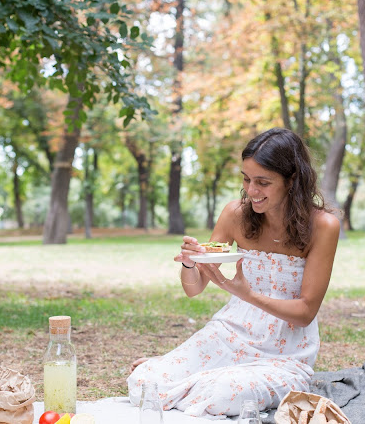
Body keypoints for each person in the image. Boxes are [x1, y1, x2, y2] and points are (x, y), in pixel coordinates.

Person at [127, 127, 340, 418]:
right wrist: (191, 262)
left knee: (223, 394)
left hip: (283, 355)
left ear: (292, 181)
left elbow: (305, 312)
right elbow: (194, 287)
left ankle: (185, 380)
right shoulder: (234, 214)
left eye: (263, 182)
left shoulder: (323, 226)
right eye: (246, 179)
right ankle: (177, 374)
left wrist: (248, 295)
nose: (251, 191)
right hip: (227, 335)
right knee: (143, 381)